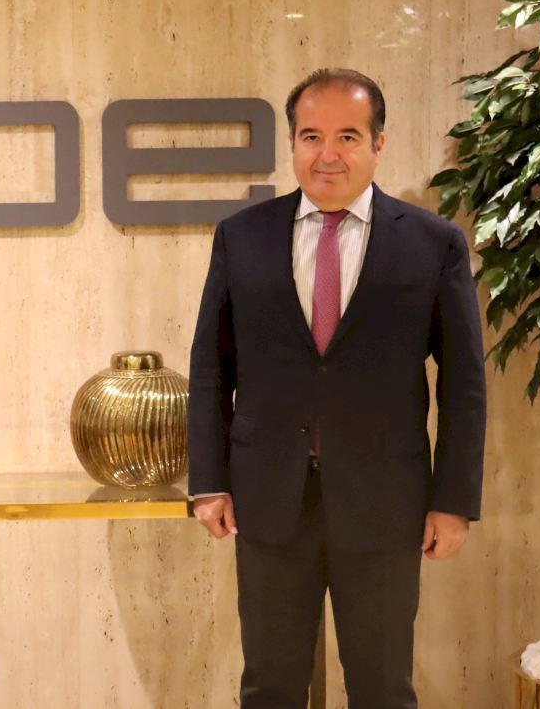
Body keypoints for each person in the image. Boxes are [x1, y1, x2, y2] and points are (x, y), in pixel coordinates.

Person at [187, 68, 486, 708]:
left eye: (348, 137)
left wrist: (454, 500)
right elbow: (212, 366)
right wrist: (208, 481)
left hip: (385, 503)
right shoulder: (241, 236)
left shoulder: (433, 244)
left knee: (382, 689)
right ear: (293, 144)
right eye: (311, 136)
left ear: (378, 144)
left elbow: (463, 381)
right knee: (269, 687)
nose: (328, 154)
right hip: (269, 500)